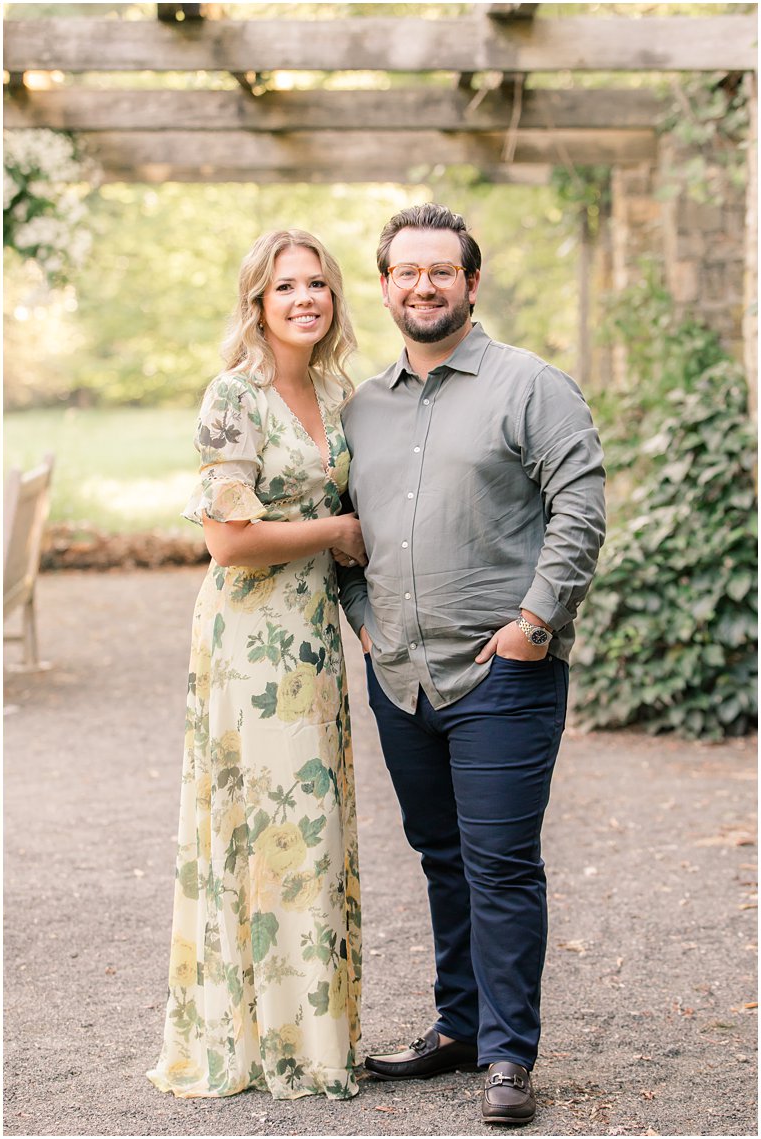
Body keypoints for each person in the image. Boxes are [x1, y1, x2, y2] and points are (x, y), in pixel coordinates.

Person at [339, 203, 605, 1126]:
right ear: (384, 287)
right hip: (400, 675)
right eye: (405, 273)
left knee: (499, 863)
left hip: (503, 675)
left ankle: (508, 1055)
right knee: (440, 855)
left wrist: (536, 622)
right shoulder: (362, 406)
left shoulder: (530, 385)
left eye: (440, 272)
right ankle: (459, 1025)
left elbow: (580, 504)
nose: (422, 286)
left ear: (471, 282)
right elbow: (345, 532)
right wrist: (367, 626)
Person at [146, 229, 367, 1101]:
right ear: (259, 302)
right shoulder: (232, 397)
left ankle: (319, 1036)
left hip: (312, 638)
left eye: (318, 284)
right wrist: (335, 532)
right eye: (288, 287)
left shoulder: (337, 392)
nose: (305, 298)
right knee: (267, 825)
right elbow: (226, 542)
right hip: (249, 642)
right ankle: (262, 1041)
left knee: (314, 827)